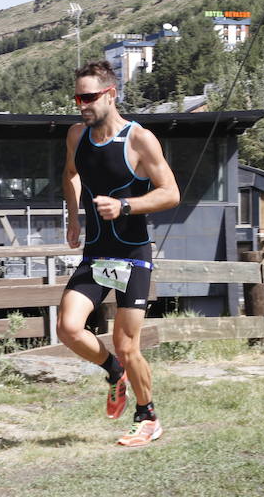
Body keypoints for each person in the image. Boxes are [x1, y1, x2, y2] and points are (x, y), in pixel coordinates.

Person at [57, 60, 180, 447]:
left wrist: (126, 206)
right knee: (68, 328)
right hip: (96, 254)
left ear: (111, 95)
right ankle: (113, 372)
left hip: (131, 255)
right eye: (78, 97)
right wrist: (74, 217)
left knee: (128, 345)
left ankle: (148, 417)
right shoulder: (77, 135)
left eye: (89, 97)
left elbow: (171, 193)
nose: (82, 105)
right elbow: (70, 174)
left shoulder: (139, 139)